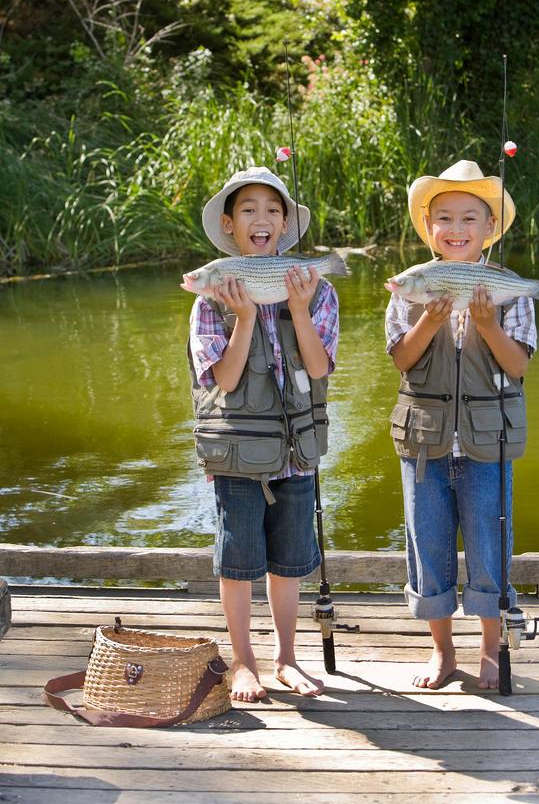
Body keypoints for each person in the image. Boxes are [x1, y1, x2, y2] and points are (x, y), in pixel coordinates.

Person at [187, 166, 339, 702]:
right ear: (229, 226)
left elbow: (319, 369)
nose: (262, 219)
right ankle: (243, 661)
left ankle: (287, 658)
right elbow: (225, 380)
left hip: (296, 450)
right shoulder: (211, 299)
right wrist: (245, 317)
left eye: (273, 210)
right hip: (236, 450)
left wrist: (297, 307)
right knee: (238, 559)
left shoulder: (315, 290)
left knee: (289, 560)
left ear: (285, 224)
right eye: (249, 210)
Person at [385, 159, 537, 690]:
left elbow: (517, 366)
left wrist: (488, 322)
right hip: (424, 442)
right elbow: (402, 360)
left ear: (490, 228)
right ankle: (442, 652)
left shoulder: (508, 286)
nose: (456, 229)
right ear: (429, 228)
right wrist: (430, 314)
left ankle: (491, 650)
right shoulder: (415, 283)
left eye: (470, 218)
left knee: (490, 546)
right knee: (427, 547)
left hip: (486, 442)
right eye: (444, 218)